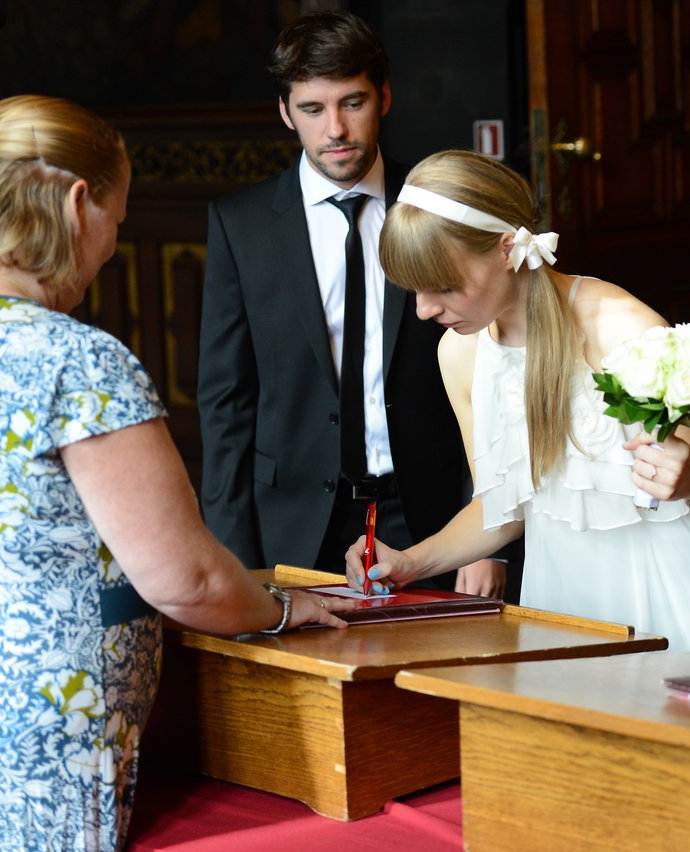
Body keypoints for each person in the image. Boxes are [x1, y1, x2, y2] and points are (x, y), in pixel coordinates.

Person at [0, 96, 355, 851]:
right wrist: (278, 610)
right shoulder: (77, 360)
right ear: (76, 203)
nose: (108, 249)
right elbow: (185, 581)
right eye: (117, 222)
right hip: (40, 738)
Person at [342, 149, 690, 653]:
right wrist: (410, 562)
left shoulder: (617, 326)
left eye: (444, 288)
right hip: (561, 601)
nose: (424, 311)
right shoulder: (460, 353)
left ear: (507, 249)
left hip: (667, 594)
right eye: (412, 291)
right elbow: (500, 508)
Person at [197, 10, 514, 596]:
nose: (335, 129)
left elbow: (499, 372)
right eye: (313, 109)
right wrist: (232, 555)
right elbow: (226, 405)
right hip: (290, 519)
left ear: (385, 97)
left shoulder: (437, 209)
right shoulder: (241, 226)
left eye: (352, 102)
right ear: (286, 112)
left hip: (431, 511)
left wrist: (493, 533)